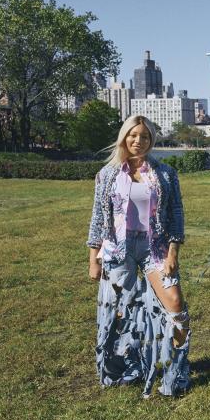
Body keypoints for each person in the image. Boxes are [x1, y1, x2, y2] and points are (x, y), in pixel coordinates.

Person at [87, 115, 190, 397]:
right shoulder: (107, 175)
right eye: (133, 136)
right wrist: (93, 257)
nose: (138, 141)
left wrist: (173, 252)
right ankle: (128, 366)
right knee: (122, 313)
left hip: (154, 247)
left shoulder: (165, 173)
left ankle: (179, 367)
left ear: (151, 140)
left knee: (175, 303)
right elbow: (98, 216)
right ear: (124, 138)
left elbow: (177, 215)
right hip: (119, 249)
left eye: (144, 137)